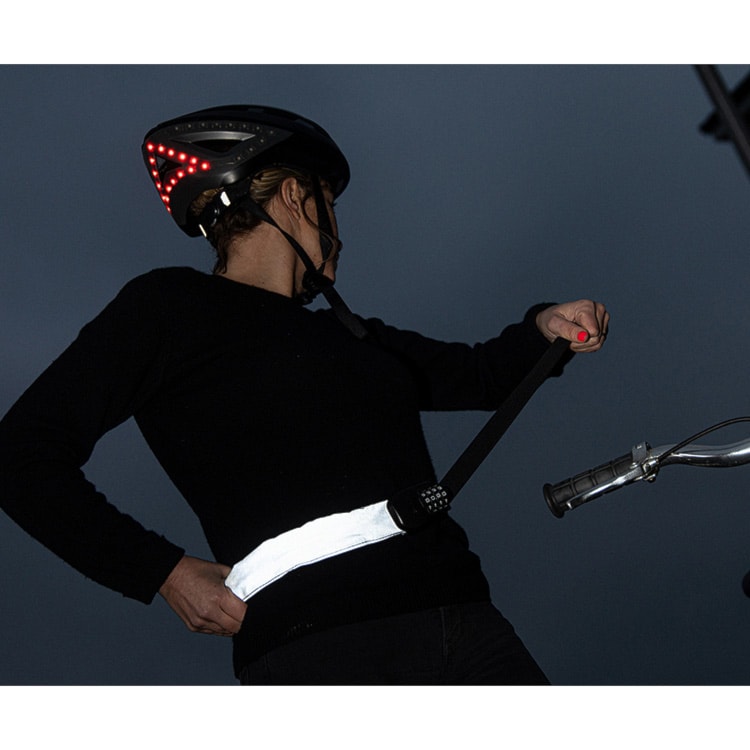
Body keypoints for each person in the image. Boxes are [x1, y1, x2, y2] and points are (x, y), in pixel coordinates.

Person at [0, 105, 609, 685]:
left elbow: (480, 374)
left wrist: (545, 327)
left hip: (469, 628)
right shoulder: (169, 308)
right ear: (295, 196)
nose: (340, 231)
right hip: (314, 647)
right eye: (330, 205)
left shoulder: (353, 336)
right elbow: (20, 455)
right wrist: (162, 571)